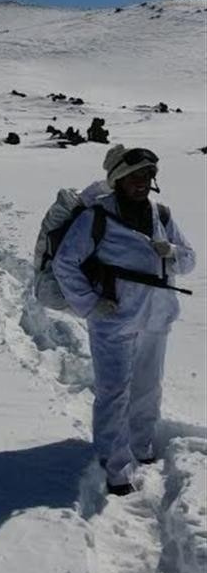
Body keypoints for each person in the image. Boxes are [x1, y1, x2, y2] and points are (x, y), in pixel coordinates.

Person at [52, 144, 195, 495]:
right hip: (113, 319)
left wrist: (172, 252)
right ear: (117, 179)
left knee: (148, 387)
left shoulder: (161, 215)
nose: (142, 182)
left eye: (147, 175)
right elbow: (65, 263)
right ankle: (114, 466)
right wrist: (90, 304)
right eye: (134, 176)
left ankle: (142, 449)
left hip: (157, 316)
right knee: (114, 391)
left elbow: (189, 261)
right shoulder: (96, 218)